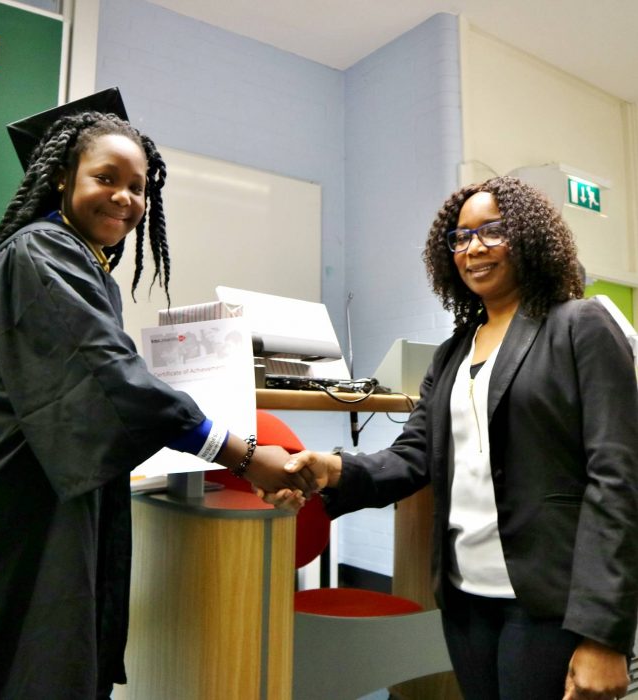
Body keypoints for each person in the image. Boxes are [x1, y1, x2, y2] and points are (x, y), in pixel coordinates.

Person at [0, 90, 309, 700]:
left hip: (37, 487)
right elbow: (112, 379)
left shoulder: (78, 260)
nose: (125, 198)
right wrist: (243, 455)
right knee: (4, 660)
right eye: (106, 178)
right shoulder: (42, 250)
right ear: (62, 177)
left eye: (138, 187)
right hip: (2, 498)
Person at [262, 176, 638, 700]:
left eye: (492, 231)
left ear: (528, 237)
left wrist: (604, 633)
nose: (473, 248)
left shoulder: (580, 325)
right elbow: (413, 456)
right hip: (466, 599)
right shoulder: (452, 353)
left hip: (549, 601)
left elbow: (618, 478)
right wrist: (333, 468)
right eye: (460, 237)